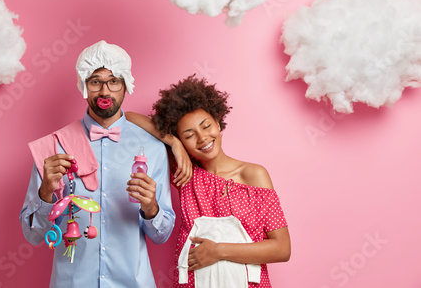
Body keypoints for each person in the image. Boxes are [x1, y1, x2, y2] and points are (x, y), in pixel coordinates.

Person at [19, 40, 175, 288]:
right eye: (95, 81)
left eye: (114, 81)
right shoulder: (55, 147)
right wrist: (45, 193)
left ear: (126, 85)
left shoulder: (153, 149)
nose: (105, 92)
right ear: (84, 86)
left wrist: (152, 208)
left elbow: (161, 235)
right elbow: (34, 235)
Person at [126, 75, 290, 287]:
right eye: (189, 135)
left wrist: (219, 251)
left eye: (206, 126)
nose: (202, 138)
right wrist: (174, 143)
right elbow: (129, 117)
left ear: (218, 123)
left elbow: (282, 248)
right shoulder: (185, 175)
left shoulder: (254, 175)